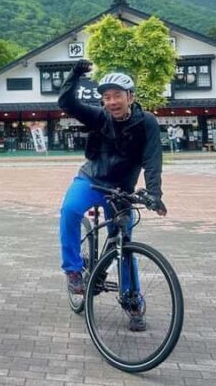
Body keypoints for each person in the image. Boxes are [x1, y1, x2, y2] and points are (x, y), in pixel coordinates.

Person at [58, 60, 166, 331]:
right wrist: (75, 74)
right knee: (70, 210)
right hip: (91, 179)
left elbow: (153, 160)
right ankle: (73, 270)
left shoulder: (147, 123)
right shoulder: (99, 116)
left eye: (118, 95)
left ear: (131, 97)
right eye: (106, 97)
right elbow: (66, 103)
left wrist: (154, 194)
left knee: (124, 244)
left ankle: (132, 301)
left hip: (121, 191)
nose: (112, 101)